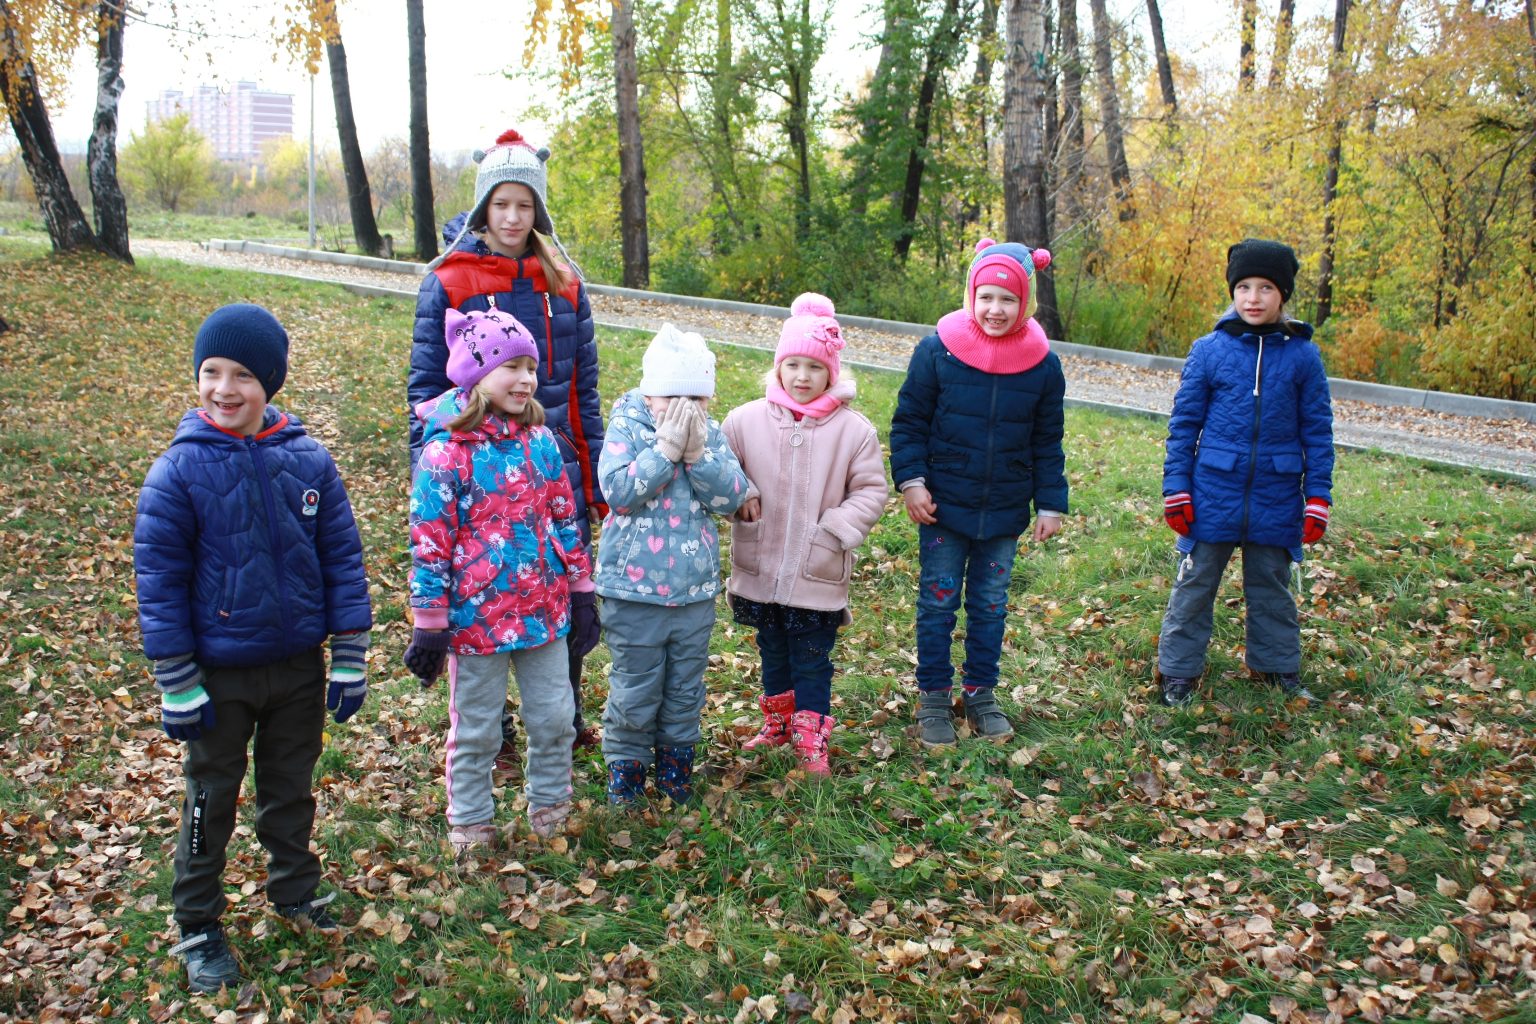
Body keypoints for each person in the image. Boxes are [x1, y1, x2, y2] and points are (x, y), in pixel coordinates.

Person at [133, 304, 373, 994]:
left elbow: (341, 559)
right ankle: (199, 922)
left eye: (242, 374)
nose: (224, 388)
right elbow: (159, 581)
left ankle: (294, 887)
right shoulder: (177, 473)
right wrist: (177, 678)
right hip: (218, 676)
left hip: (297, 666)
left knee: (289, 788)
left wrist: (350, 651)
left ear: (270, 382)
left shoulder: (308, 461)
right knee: (212, 797)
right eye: (211, 372)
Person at [408, 127, 605, 761]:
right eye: (502, 205)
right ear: (483, 208)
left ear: (538, 209)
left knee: (560, 601)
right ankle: (487, 732)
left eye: (525, 205)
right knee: (483, 598)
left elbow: (584, 388)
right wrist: (432, 472)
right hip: (476, 476)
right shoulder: (451, 280)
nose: (514, 218)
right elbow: (426, 389)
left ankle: (562, 720)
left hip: (553, 467)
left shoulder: (566, 283)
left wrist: (592, 474)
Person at [401, 308, 599, 847]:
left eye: (531, 367)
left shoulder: (541, 442)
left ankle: (551, 809)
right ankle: (470, 822)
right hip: (475, 622)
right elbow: (430, 543)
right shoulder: (446, 454)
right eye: (511, 366)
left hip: (543, 612)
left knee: (557, 718)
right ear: (474, 373)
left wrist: (581, 593)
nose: (526, 379)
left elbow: (564, 518)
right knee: (478, 730)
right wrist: (430, 621)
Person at [889, 239, 1068, 750]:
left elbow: (1047, 439)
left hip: (1005, 509)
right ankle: (933, 697)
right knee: (938, 603)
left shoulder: (1042, 366)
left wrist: (1050, 501)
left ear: (1025, 303)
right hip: (944, 505)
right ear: (972, 294)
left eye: (1007, 300)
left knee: (989, 606)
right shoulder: (937, 352)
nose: (996, 309)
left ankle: (982, 694)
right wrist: (913, 481)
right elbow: (909, 425)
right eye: (986, 296)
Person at [1156, 238, 1335, 708]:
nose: (1253, 298)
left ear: (1283, 295)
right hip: (1212, 491)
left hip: (1277, 496)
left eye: (1266, 287)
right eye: (1244, 287)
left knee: (1272, 589)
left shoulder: (1303, 358)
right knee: (1194, 587)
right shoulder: (1209, 351)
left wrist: (1318, 497)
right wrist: (1177, 488)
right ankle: (1178, 673)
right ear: (1233, 292)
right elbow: (1183, 426)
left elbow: (1318, 433)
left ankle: (1276, 669)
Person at [721, 294, 888, 774]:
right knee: (772, 649)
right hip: (762, 563)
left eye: (814, 367)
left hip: (816, 568)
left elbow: (871, 490)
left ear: (831, 373)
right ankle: (779, 720)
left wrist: (836, 529)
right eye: (792, 364)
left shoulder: (853, 431)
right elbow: (721, 469)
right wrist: (741, 494)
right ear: (777, 368)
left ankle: (811, 733)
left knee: (812, 657)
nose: (802, 377)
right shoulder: (745, 421)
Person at [594, 325, 749, 804]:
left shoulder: (710, 437)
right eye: (670, 397)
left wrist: (698, 454)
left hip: (693, 593)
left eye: (695, 399)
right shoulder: (628, 427)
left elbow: (732, 497)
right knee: (636, 688)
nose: (682, 410)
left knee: (685, 687)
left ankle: (676, 770)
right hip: (632, 592)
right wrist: (663, 451)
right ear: (648, 391)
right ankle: (627, 773)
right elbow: (617, 492)